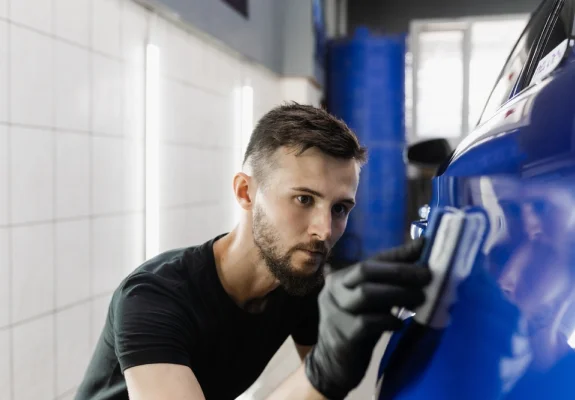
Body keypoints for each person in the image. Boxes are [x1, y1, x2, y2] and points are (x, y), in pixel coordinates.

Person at [75, 103, 431, 400]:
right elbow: (318, 380)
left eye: (340, 208)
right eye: (304, 199)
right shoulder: (153, 297)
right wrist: (321, 372)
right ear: (246, 193)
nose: (324, 230)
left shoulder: (300, 283)